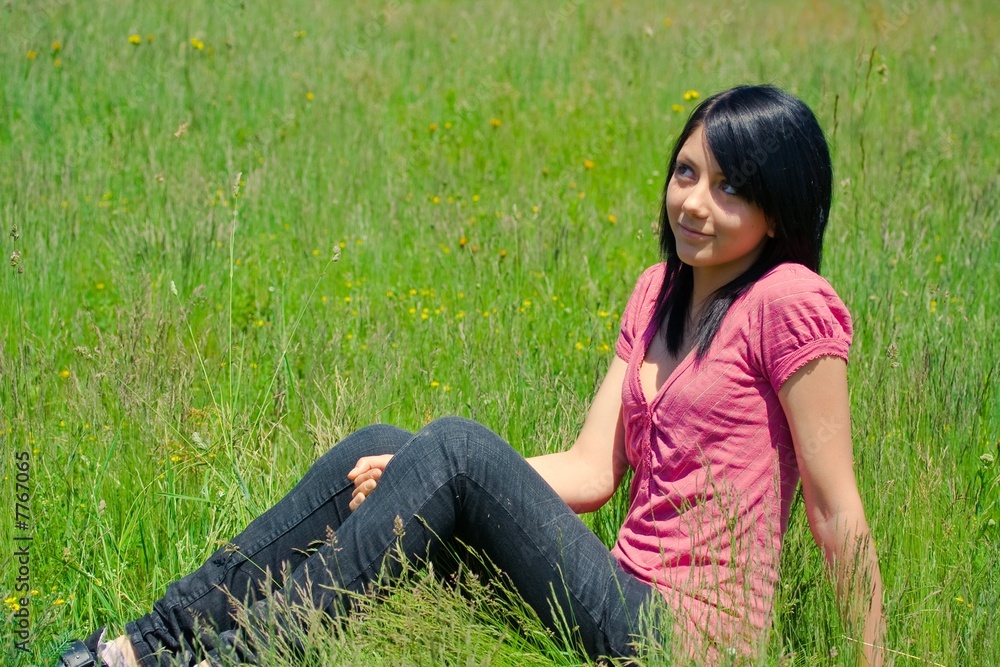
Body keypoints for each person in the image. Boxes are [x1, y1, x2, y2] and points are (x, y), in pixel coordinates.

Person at [57, 84, 884, 667]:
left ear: (778, 208)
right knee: (386, 445)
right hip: (611, 589)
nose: (694, 201)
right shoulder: (658, 291)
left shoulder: (789, 301)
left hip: (681, 639)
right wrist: (411, 473)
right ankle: (143, 646)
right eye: (688, 172)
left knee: (450, 446)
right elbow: (592, 471)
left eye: (730, 187)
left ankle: (244, 658)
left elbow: (835, 509)